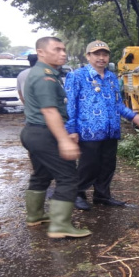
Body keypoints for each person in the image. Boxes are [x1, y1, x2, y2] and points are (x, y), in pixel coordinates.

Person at [20, 37, 91, 239]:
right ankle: (60, 226)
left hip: (33, 133)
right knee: (68, 177)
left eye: (63, 49)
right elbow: (50, 112)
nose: (63, 53)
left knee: (42, 174)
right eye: (57, 49)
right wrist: (64, 140)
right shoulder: (45, 77)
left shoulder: (43, 73)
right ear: (41, 52)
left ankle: (35, 216)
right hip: (44, 133)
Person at [65, 40, 139, 211]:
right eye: (97, 54)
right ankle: (78, 194)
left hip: (111, 130)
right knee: (89, 165)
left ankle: (102, 195)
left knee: (107, 164)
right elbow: (70, 105)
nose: (101, 58)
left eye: (105, 54)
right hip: (89, 130)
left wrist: (134, 117)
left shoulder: (111, 77)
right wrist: (71, 129)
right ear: (88, 56)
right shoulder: (77, 76)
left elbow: (117, 104)